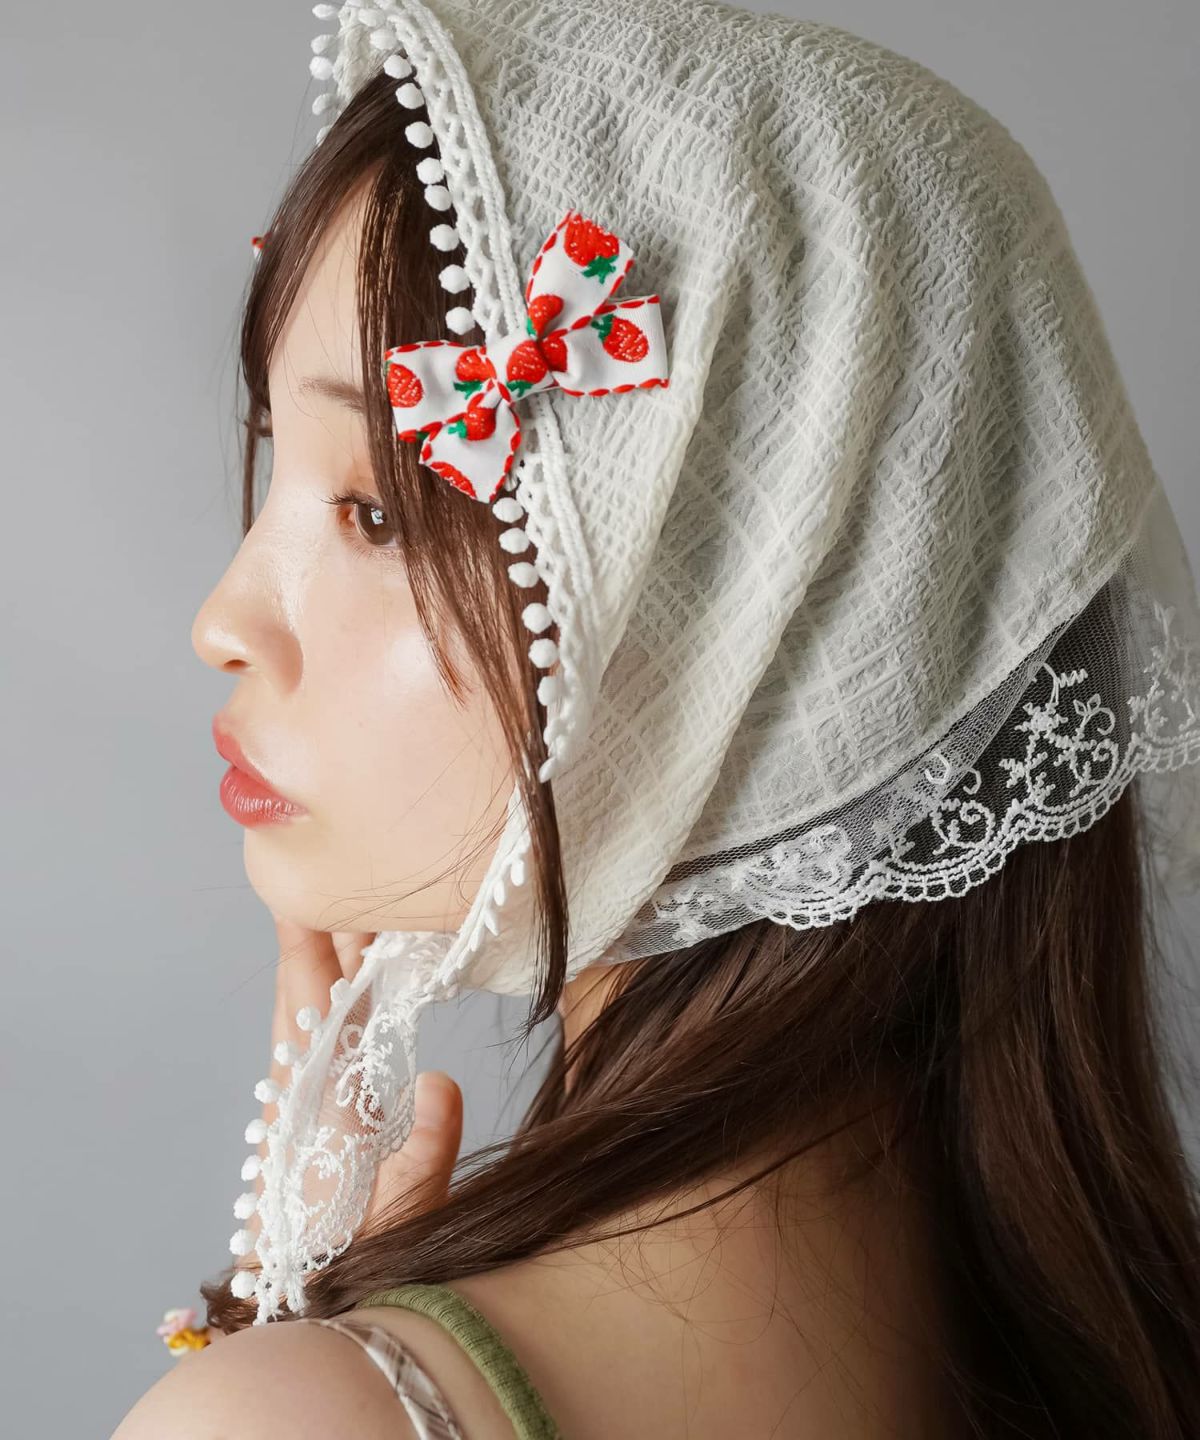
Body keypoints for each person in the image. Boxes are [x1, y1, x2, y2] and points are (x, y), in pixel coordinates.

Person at [113, 1, 1200, 1435]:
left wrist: (281, 1341)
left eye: (378, 509)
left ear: (731, 619)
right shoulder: (1126, 1344)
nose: (224, 620)